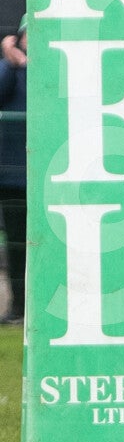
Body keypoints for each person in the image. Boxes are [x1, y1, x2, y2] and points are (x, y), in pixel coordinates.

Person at [0, 17, 27, 325]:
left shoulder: (56, 68)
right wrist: (12, 63)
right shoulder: (9, 69)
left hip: (48, 177)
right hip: (13, 178)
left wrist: (26, 65)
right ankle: (18, 307)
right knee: (17, 246)